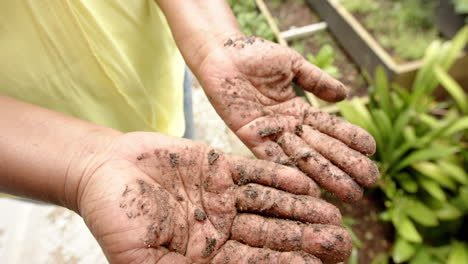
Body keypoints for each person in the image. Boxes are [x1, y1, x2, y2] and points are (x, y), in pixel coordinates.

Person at [0, 1, 379, 263]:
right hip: (31, 143)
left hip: (153, 64)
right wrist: (80, 168)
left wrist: (211, 41)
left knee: (181, 148)